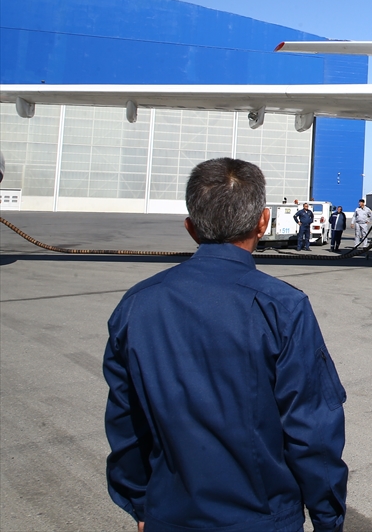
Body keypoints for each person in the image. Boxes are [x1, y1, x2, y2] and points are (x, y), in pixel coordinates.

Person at [103, 157, 347, 532]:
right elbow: (311, 429)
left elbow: (127, 421)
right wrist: (328, 518)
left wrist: (140, 503)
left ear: (190, 227)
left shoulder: (137, 304)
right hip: (263, 519)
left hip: (170, 514)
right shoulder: (282, 307)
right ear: (263, 222)